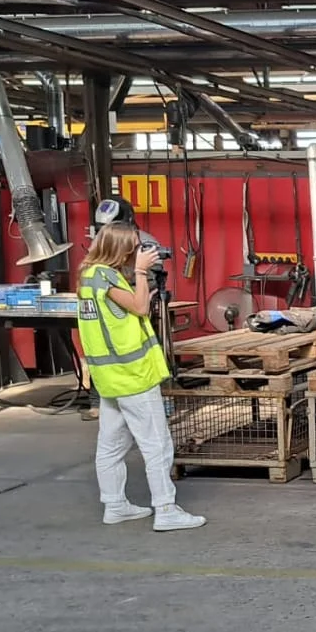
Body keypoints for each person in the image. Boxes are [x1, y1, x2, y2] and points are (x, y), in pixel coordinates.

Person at [76, 222, 206, 532]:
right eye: (134, 247)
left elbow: (127, 312)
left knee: (111, 445)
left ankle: (115, 505)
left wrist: (140, 280)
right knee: (157, 444)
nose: (138, 251)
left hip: (111, 378)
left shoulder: (90, 276)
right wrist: (140, 272)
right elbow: (140, 307)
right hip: (132, 375)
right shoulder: (106, 276)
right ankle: (166, 510)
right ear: (119, 248)